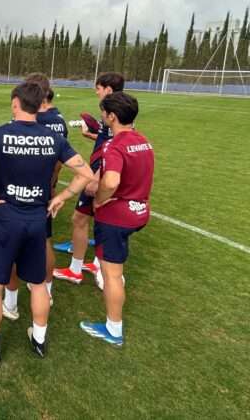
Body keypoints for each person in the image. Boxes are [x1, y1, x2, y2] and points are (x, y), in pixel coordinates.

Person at [0, 82, 94, 363]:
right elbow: (86, 172)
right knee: (38, 284)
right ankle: (38, 339)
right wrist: (62, 196)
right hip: (37, 218)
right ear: (38, 105)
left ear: (15, 103)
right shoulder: (52, 137)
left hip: (4, 217)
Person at [80, 92, 154, 346]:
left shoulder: (115, 144)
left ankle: (114, 329)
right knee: (114, 268)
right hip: (139, 211)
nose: (102, 117)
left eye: (103, 113)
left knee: (111, 274)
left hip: (117, 216)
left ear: (112, 116)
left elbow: (111, 181)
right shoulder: (144, 141)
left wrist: (99, 198)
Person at [3, 75, 68, 317]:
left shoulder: (34, 121)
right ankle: (45, 290)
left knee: (16, 245)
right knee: (43, 240)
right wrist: (52, 186)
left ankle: (11, 301)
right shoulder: (59, 121)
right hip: (44, 191)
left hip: (22, 194)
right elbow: (61, 161)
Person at [54, 73, 124, 289]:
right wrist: (91, 135)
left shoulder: (113, 112)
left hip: (99, 172)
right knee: (94, 216)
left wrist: (97, 176)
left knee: (80, 218)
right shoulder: (119, 109)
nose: (96, 91)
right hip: (101, 170)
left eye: (99, 88)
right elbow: (109, 138)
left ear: (109, 90)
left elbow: (115, 144)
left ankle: (77, 269)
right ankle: (92, 263)